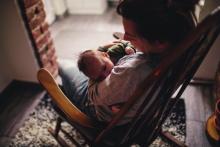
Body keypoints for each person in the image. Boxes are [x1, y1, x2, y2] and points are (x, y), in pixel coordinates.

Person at [59, 0, 200, 124]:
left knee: (65, 68)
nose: (125, 38)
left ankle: (57, 66)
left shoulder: (133, 71)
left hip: (101, 111)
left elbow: (94, 97)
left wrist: (93, 72)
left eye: (131, 35)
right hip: (143, 111)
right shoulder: (184, 42)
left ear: (159, 42)